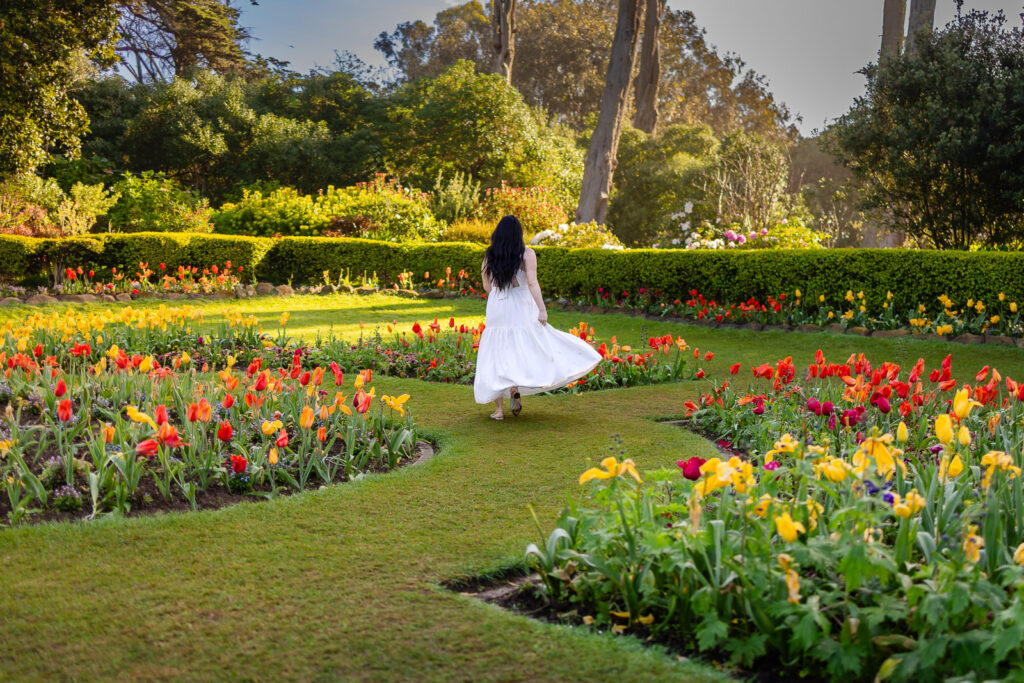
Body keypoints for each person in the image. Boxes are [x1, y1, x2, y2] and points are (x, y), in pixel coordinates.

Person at [474, 215, 602, 420]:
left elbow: (487, 286)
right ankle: (516, 385)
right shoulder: (526, 254)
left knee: (496, 351)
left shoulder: (490, 255)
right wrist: (542, 310)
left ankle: (498, 410)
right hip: (520, 305)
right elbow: (532, 283)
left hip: (498, 305)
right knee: (526, 344)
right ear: (519, 233)